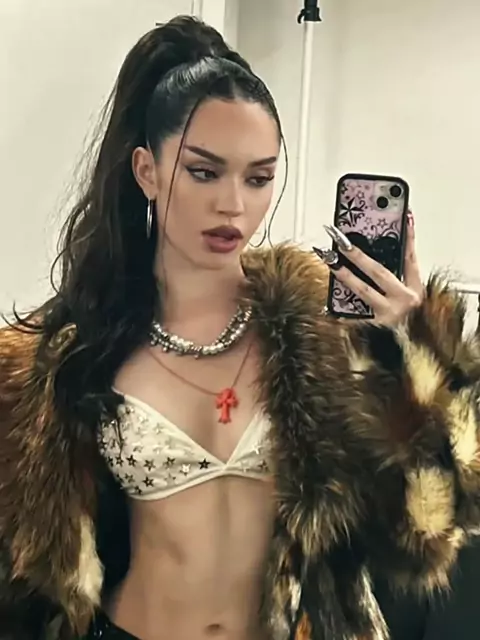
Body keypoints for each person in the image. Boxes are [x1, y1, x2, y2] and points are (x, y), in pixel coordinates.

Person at [1, 14, 480, 640]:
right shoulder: (74, 349)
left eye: (258, 178)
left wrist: (413, 352)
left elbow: (425, 536)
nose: (233, 205)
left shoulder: (319, 332)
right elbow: (29, 562)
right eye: (204, 172)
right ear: (147, 171)